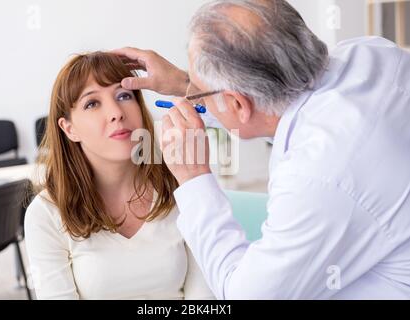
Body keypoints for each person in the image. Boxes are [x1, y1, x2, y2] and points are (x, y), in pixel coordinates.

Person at [113, 0, 410, 299]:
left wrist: (193, 178)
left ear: (238, 103)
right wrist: (183, 82)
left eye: (197, 90)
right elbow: (270, 110)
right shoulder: (371, 53)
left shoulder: (315, 178)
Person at [24, 51, 214, 300]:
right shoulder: (45, 214)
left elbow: (203, 298)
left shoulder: (181, 187)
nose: (116, 112)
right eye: (92, 103)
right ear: (69, 129)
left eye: (124, 95)